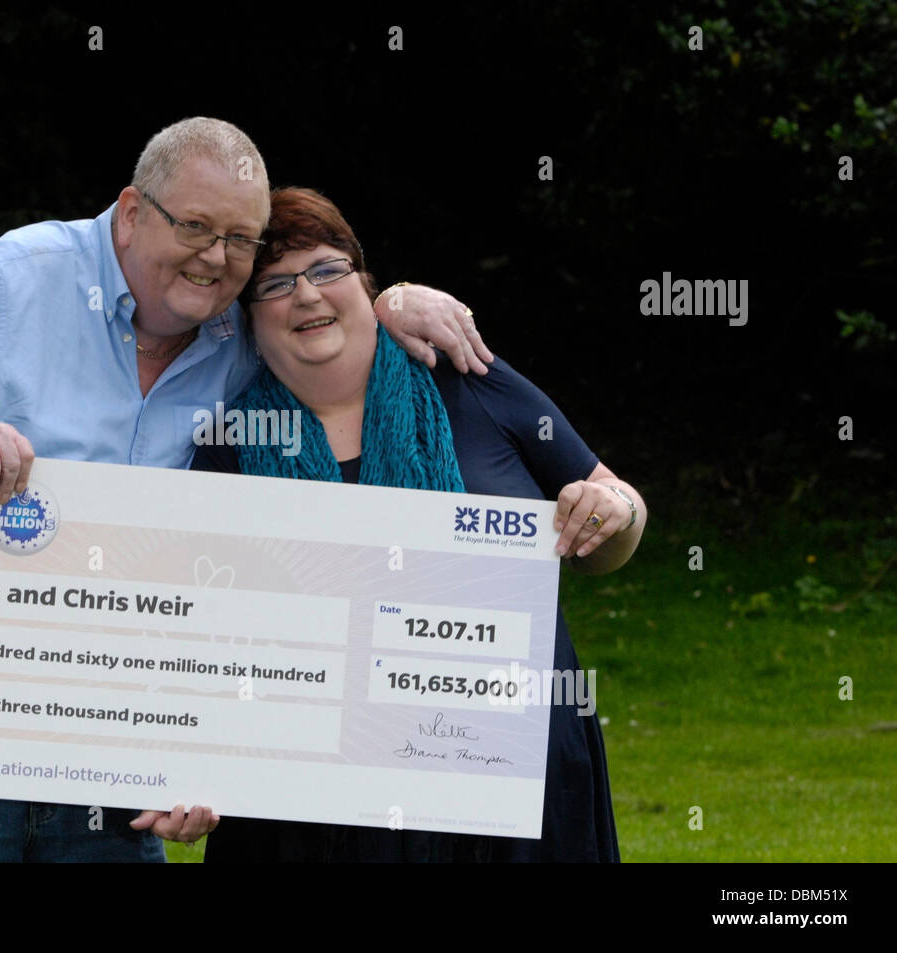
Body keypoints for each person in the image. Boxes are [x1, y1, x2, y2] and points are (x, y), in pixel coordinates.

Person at [0, 118, 495, 862]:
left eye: (240, 240)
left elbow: (320, 312)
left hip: (115, 736)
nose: (217, 258)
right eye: (196, 227)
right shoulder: (13, 279)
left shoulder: (236, 331)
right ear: (133, 213)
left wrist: (390, 300)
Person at [189, 187, 647, 862]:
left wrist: (614, 512)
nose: (307, 296)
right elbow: (200, 632)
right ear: (249, 318)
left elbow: (614, 510)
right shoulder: (229, 443)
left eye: (325, 269)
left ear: (365, 281)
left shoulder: (468, 377)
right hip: (315, 805)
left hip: (513, 772)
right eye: (276, 284)